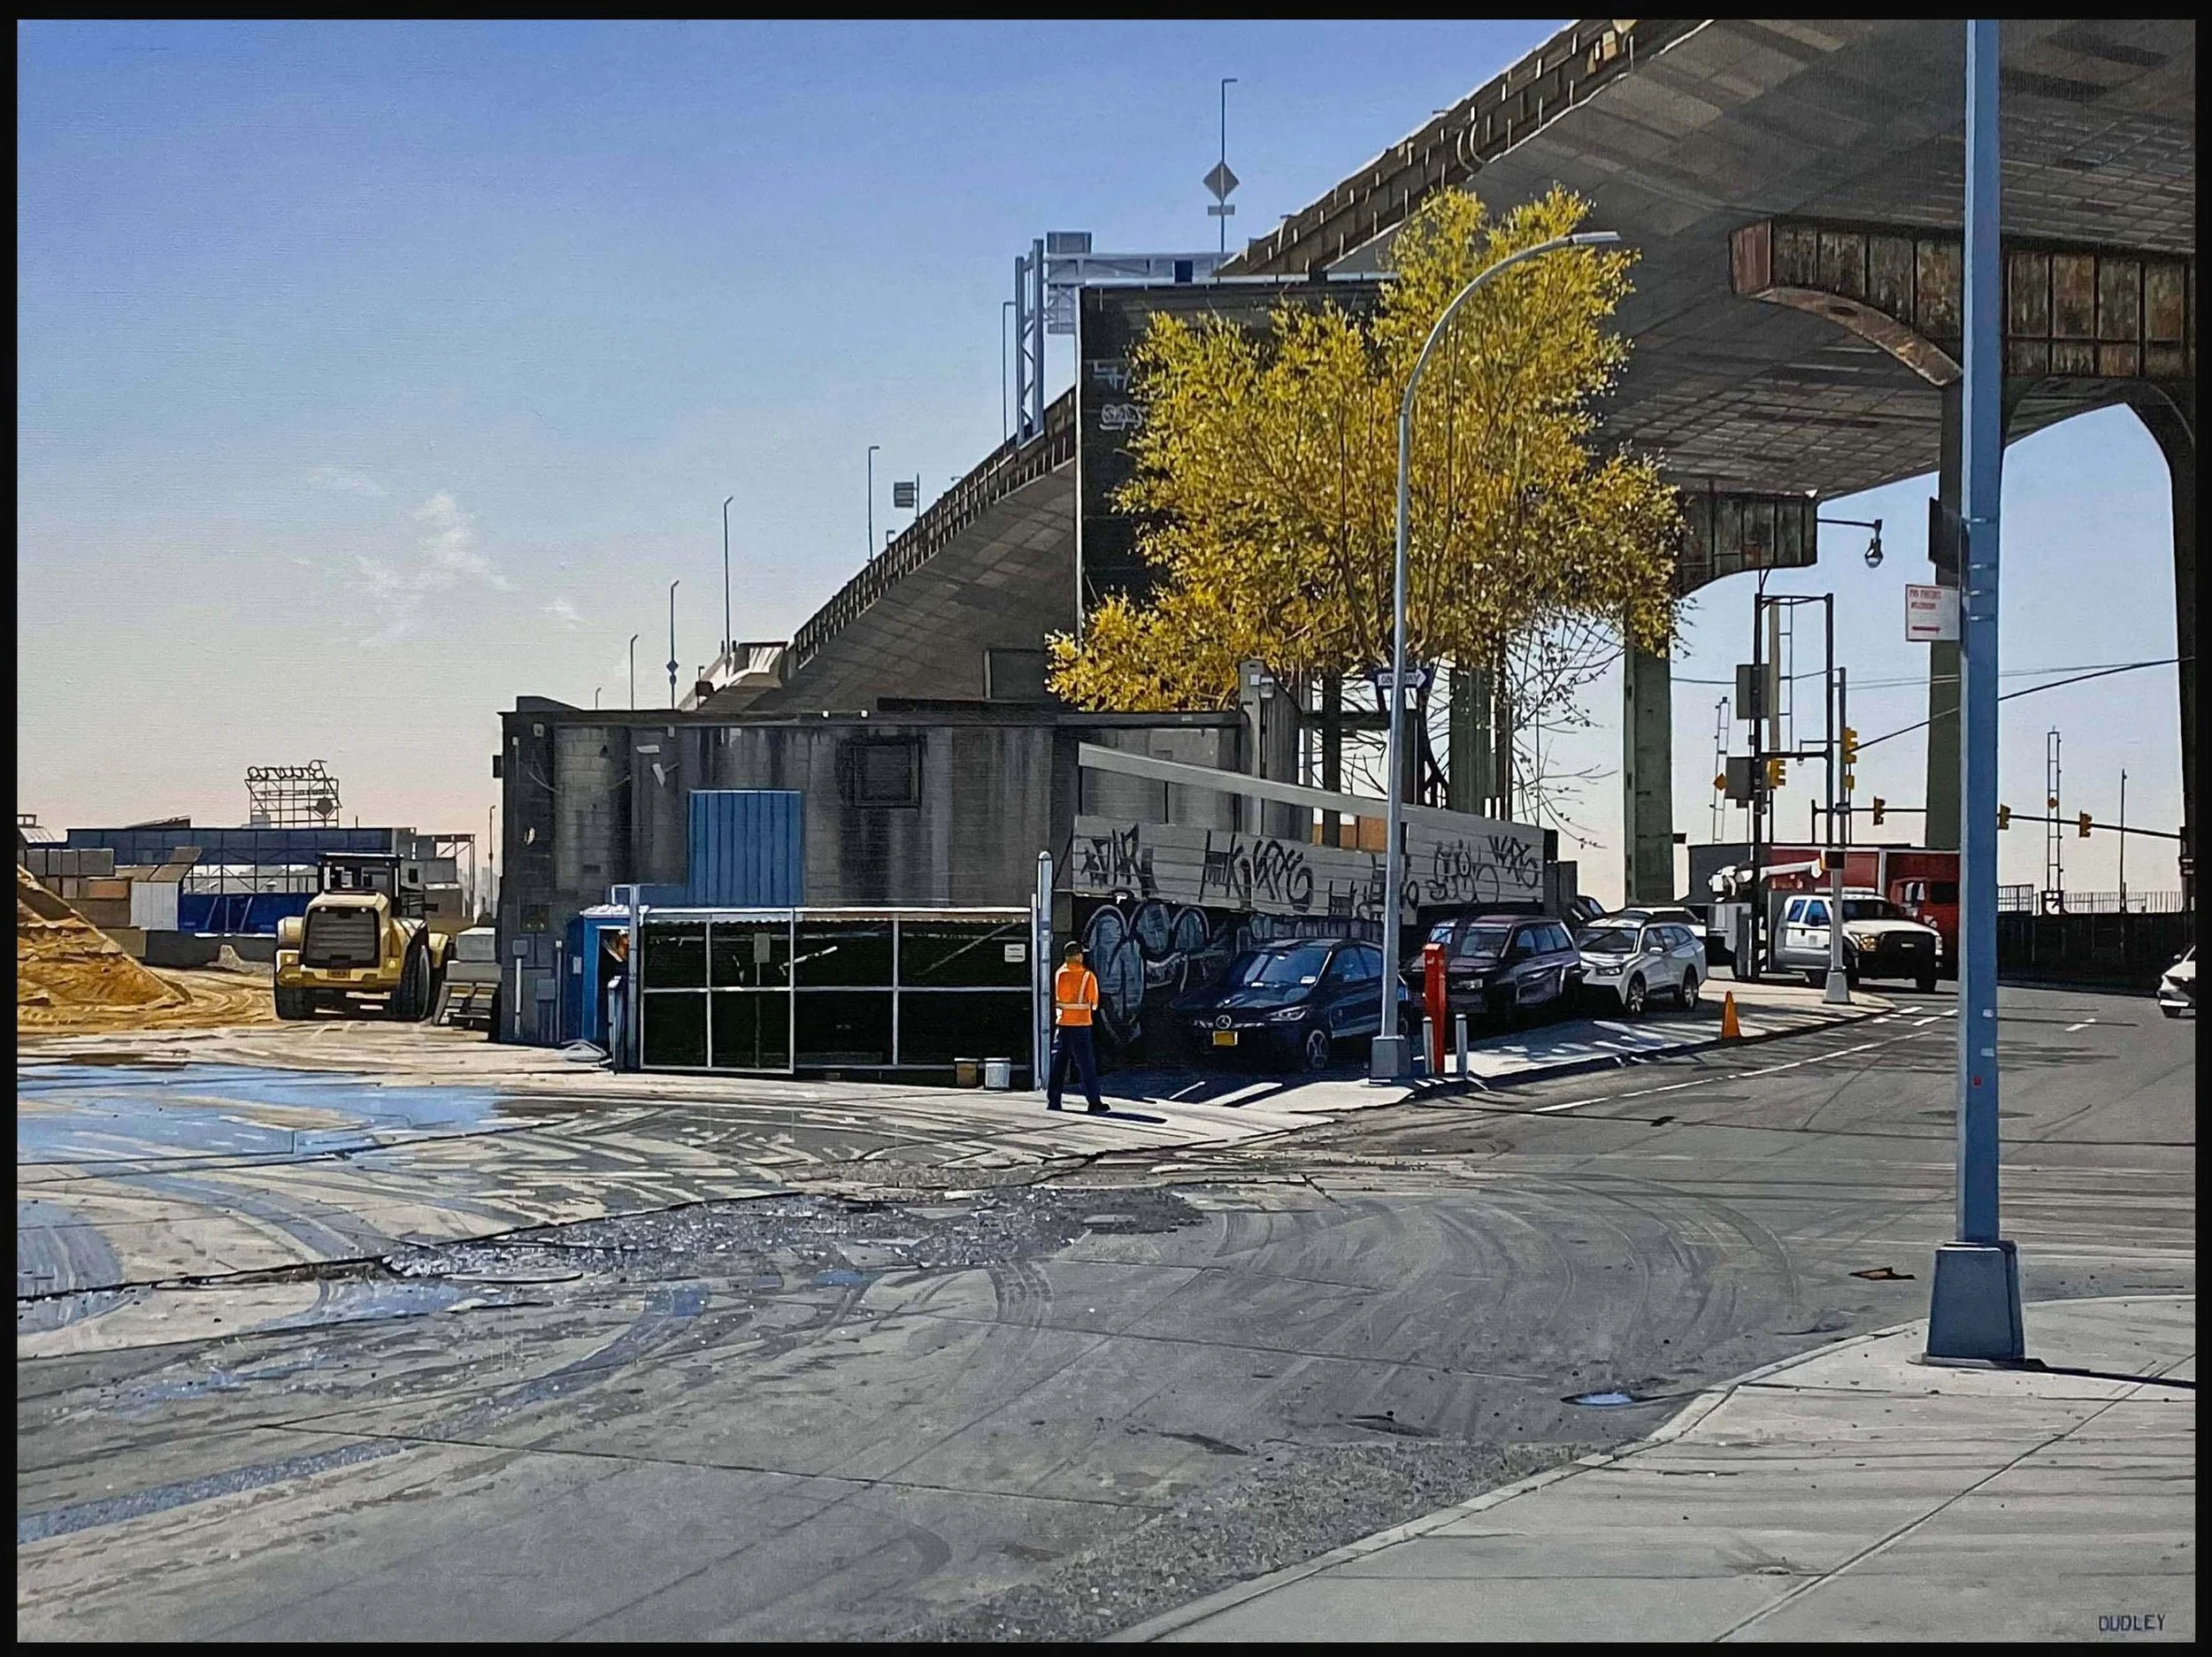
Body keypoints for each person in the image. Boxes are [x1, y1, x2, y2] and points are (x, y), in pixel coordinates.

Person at [1048, 940, 1109, 1115]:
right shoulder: (1087, 976)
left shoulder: (1059, 973)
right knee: (1086, 1065)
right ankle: (1094, 1101)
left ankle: (1054, 1100)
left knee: (1058, 1065)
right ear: (1077, 955)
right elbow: (1094, 1003)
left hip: (1062, 1025)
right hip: (1081, 1026)